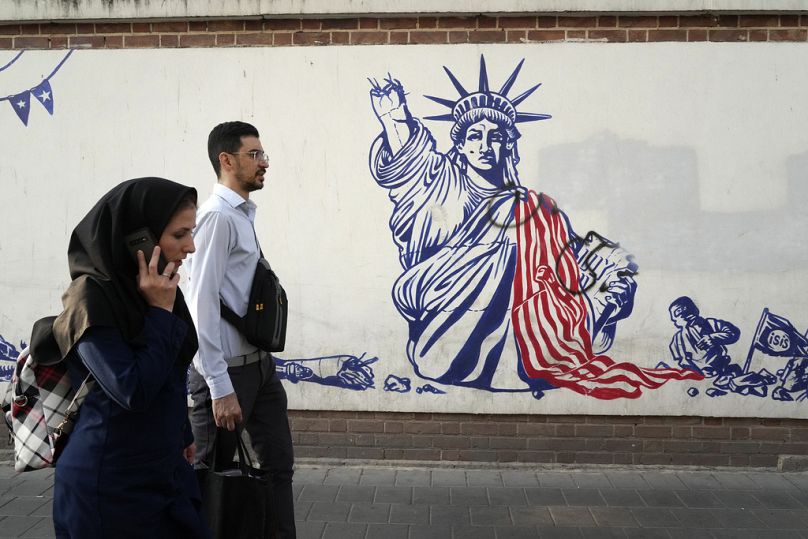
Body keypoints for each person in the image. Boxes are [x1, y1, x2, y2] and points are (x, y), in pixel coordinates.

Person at [368, 56, 701, 399]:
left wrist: (608, 261)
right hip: (447, 308)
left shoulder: (535, 207)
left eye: (495, 136)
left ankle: (532, 353)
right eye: (475, 136)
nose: (485, 146)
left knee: (567, 271)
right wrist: (394, 120)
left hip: (529, 319)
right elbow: (409, 168)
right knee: (510, 249)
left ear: (508, 144)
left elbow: (566, 251)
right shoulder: (443, 185)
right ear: (461, 144)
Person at [47, 177, 208, 538]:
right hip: (110, 484)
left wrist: (182, 432)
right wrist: (159, 314)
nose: (192, 246)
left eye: (191, 232)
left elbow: (172, 368)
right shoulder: (90, 299)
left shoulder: (160, 290)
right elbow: (131, 388)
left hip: (165, 473)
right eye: (180, 234)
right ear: (140, 239)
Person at [186, 121, 296, 537]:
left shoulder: (242, 215)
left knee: (277, 469)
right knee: (211, 480)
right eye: (255, 155)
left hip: (259, 368)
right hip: (226, 373)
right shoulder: (217, 219)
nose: (263, 163)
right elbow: (201, 303)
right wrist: (218, 386)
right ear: (226, 160)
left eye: (263, 154)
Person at [668, 296, 741, 378]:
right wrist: (698, 371)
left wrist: (713, 338)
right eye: (678, 314)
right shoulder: (677, 339)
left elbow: (734, 333)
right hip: (699, 377)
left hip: (722, 370)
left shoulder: (710, 323)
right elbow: (680, 361)